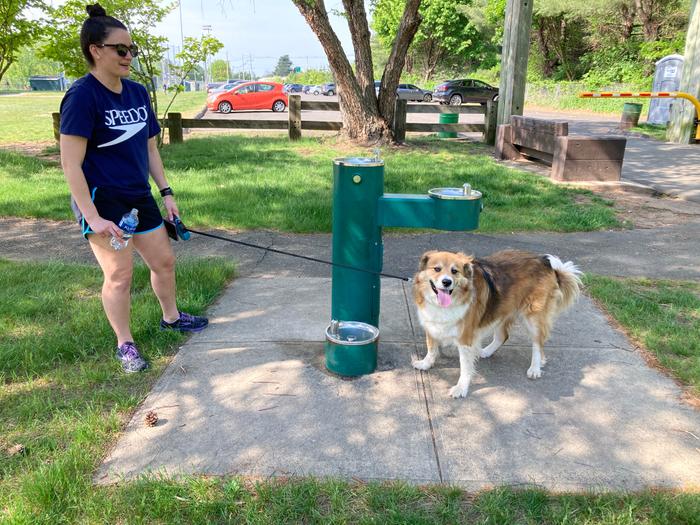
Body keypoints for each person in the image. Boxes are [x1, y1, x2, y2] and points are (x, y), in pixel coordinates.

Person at [60, 3, 208, 373]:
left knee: (164, 261)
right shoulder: (82, 96)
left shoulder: (138, 93)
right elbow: (70, 164)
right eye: (121, 50)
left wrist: (167, 193)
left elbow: (150, 148)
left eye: (132, 50)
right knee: (120, 275)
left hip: (138, 196)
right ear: (97, 50)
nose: (129, 57)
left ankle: (171, 318)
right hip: (102, 201)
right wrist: (92, 218)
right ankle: (125, 344)